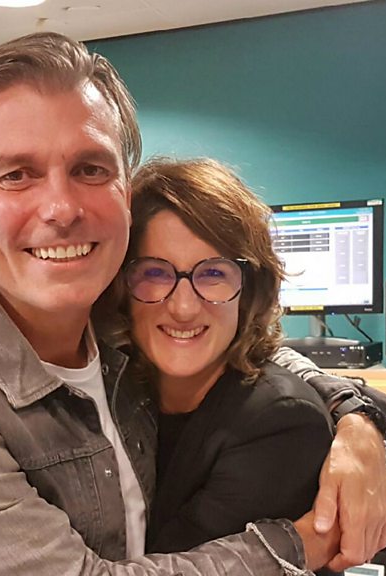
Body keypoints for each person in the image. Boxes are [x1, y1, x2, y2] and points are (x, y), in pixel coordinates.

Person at [0, 31, 386, 576]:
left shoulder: (102, 306)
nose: (61, 208)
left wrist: (359, 420)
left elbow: (248, 349)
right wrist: (295, 546)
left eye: (90, 169)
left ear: (123, 193)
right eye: (16, 174)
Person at [100, 158, 333, 556]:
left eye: (212, 274)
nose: (184, 308)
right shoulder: (118, 396)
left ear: (249, 290)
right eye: (155, 273)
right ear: (121, 286)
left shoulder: (280, 423)